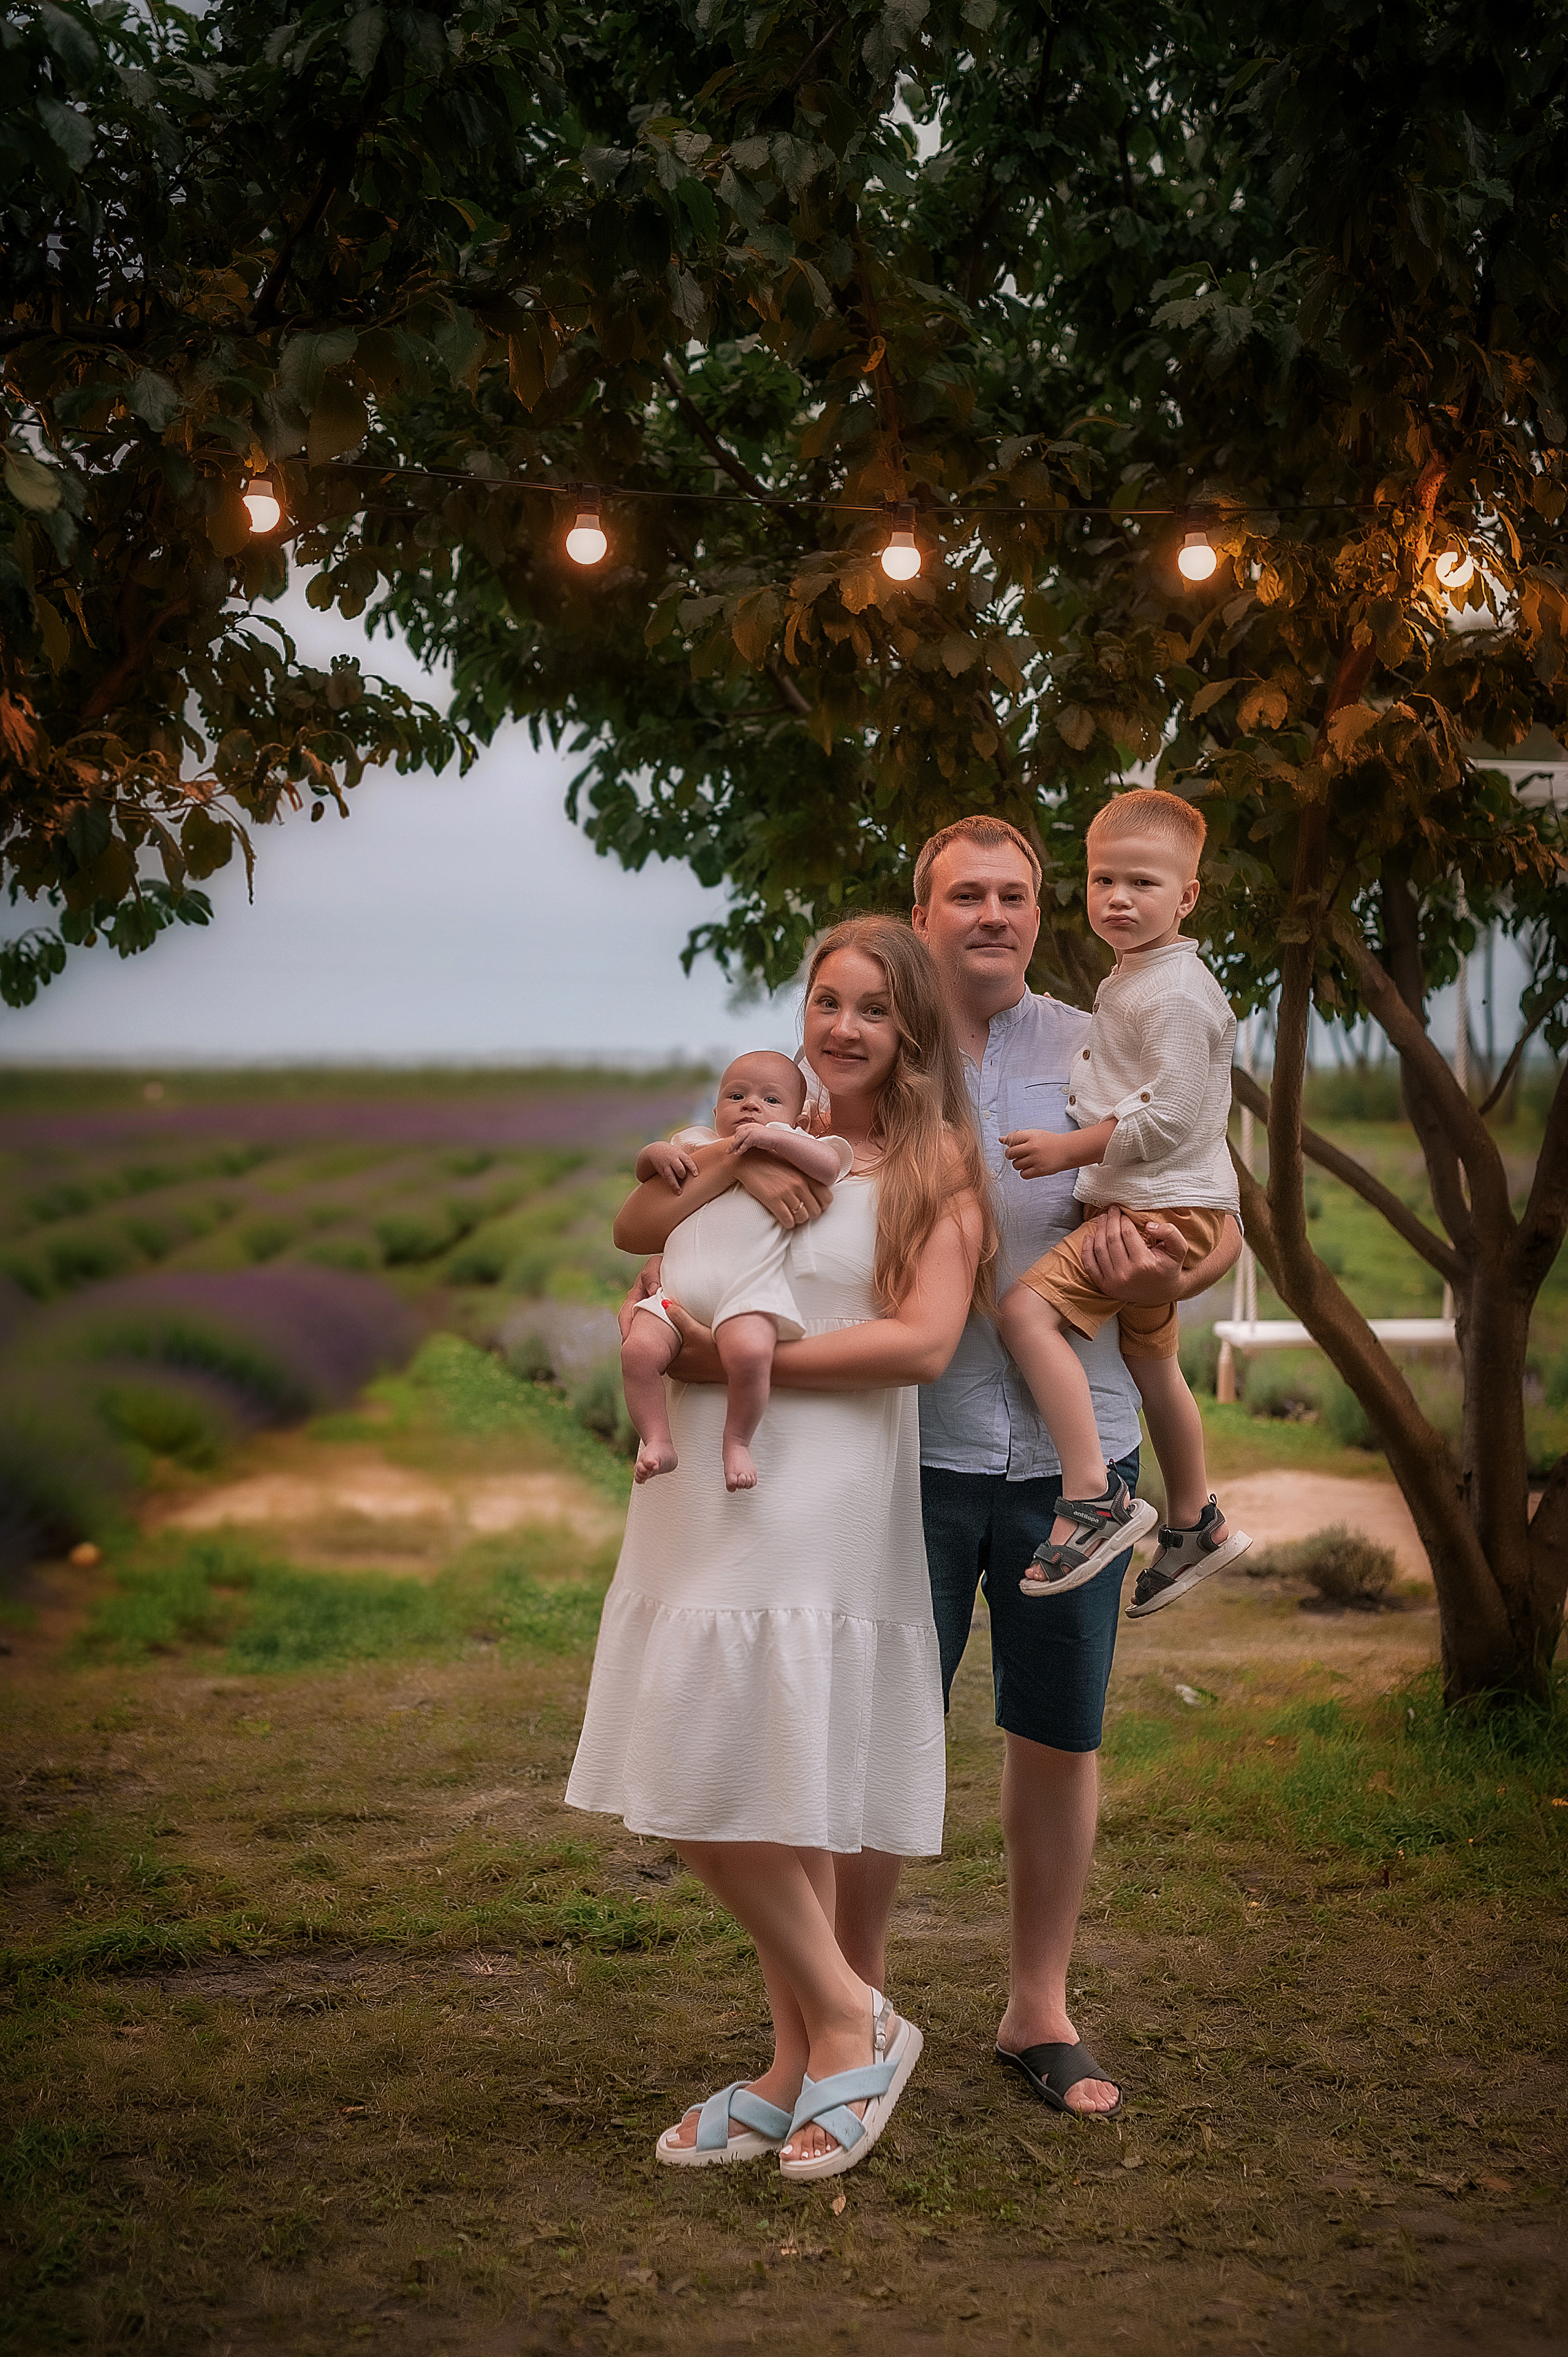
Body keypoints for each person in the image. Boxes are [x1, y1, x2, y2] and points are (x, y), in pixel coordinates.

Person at [816, 813, 1235, 2124]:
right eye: (964, 896)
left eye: (1011, 896)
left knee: (1056, 1738)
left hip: (1079, 1462)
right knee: (885, 1737)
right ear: (922, 909)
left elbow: (1210, 1218)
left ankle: (1035, 2008)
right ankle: (852, 2009)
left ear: (1038, 913)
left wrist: (1169, 1267)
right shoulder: (881, 1046)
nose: (989, 915)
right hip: (912, 1454)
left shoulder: (1096, 1038)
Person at [565, 917, 995, 2181]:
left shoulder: (935, 1163)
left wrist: (727, 1356)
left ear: (909, 1029)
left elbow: (920, 1341)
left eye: (870, 1008)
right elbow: (639, 1248)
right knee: (754, 1770)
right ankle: (800, 2054)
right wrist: (725, 1176)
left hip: (817, 1492)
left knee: (713, 1761)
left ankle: (852, 2014)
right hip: (695, 1485)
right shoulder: (741, 1135)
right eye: (824, 1001)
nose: (841, 1027)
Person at [994, 789, 1251, 1613]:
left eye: (1143, 882)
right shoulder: (1138, 977)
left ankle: (1095, 1497)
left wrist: (1072, 1148)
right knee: (1153, 1357)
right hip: (1167, 1201)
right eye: (1104, 879)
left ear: (1188, 896)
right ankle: (1194, 1520)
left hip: (1156, 1209)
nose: (1117, 898)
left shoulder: (1172, 992)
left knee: (1025, 1316)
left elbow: (1175, 1110)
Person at [620, 1050, 850, 1491]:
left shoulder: (793, 1146)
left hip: (746, 1293)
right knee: (637, 1352)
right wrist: (655, 1155)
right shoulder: (699, 1143)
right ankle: (657, 1439)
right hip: (675, 1294)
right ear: (715, 1108)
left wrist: (777, 1141)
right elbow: (644, 1174)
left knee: (749, 1354)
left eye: (770, 1100)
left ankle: (737, 1440)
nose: (751, 1105)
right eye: (737, 1095)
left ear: (799, 1119)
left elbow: (830, 1165)